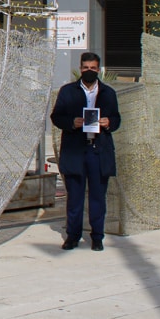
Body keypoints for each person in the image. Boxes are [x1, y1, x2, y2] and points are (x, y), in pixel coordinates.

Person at [50, 51, 121, 251]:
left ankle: (97, 236)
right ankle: (73, 235)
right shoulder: (68, 91)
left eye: (92, 68)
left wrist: (109, 123)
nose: (89, 71)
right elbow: (56, 117)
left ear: (98, 69)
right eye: (85, 68)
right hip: (75, 150)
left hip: (98, 151)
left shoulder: (108, 93)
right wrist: (72, 122)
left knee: (98, 197)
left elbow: (116, 119)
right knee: (74, 197)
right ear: (80, 69)